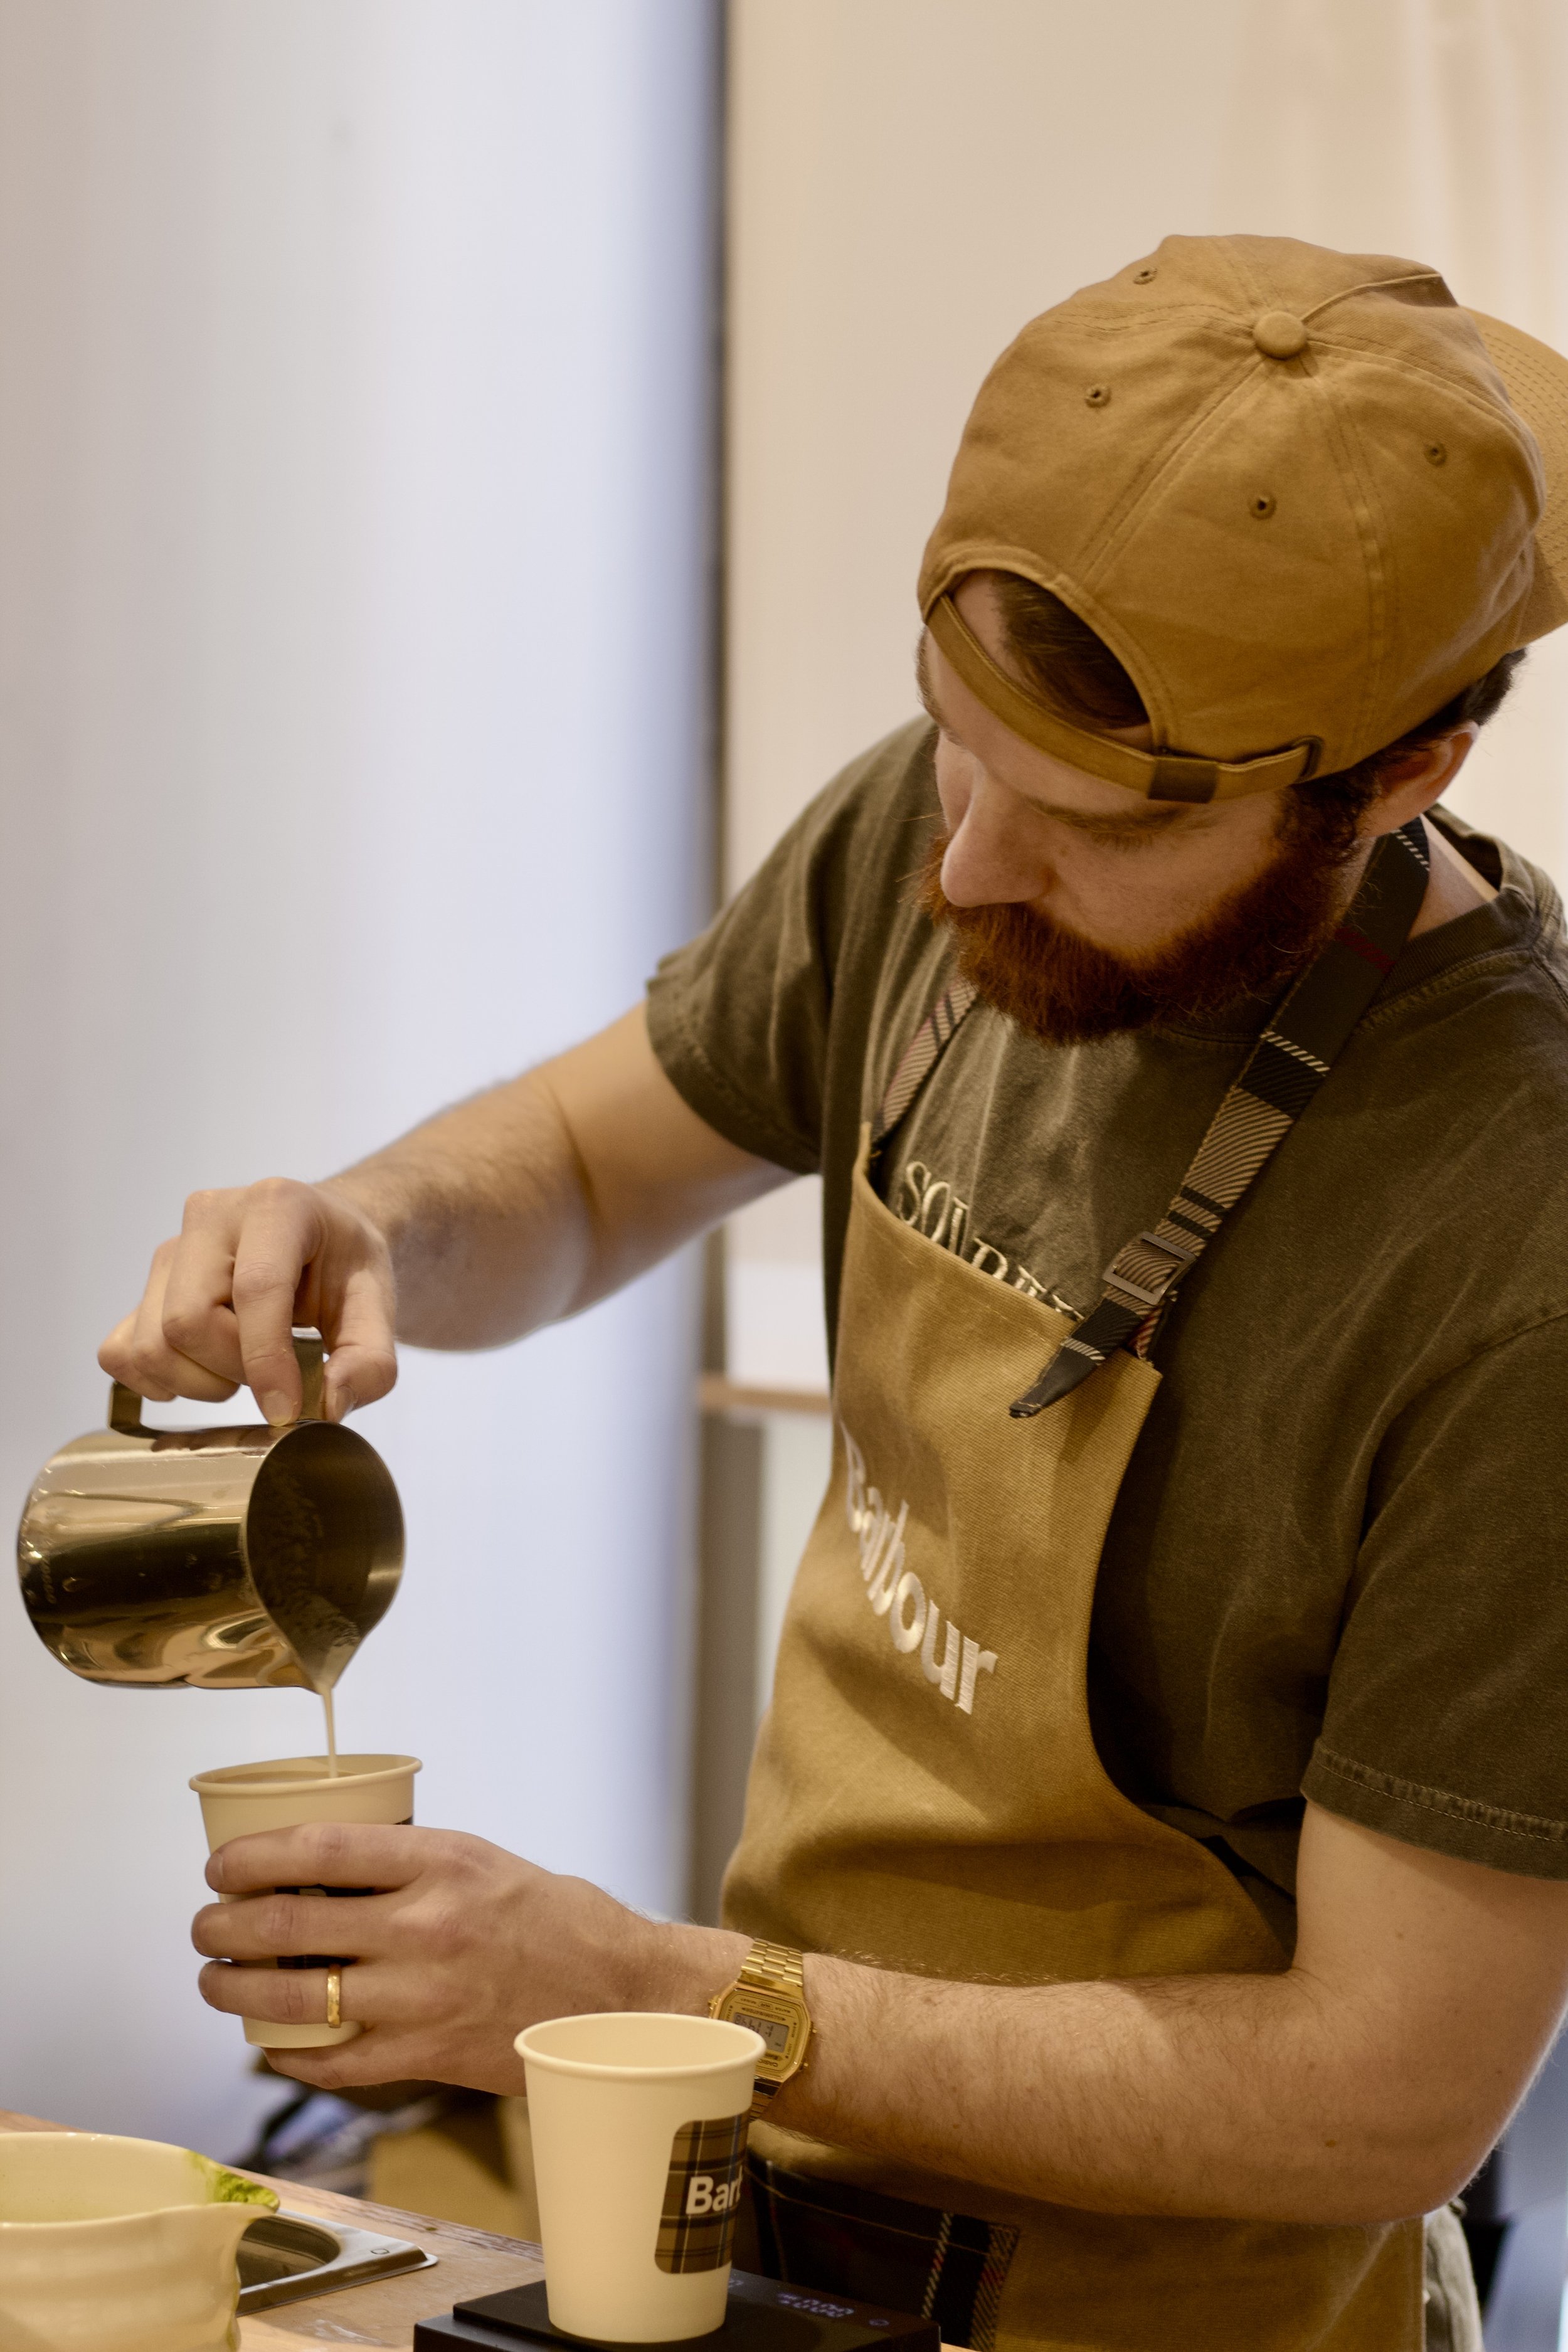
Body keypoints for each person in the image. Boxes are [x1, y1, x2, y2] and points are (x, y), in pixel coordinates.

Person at [103, 236, 1568, 2352]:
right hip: (742, 2198)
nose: (964, 867)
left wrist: (641, 1991)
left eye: (1073, 824)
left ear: (1394, 782)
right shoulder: (945, 828)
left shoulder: (1507, 1249)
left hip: (1156, 2306)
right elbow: (600, 1165)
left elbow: (1376, 2102)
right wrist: (374, 1225)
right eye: (945, 746)